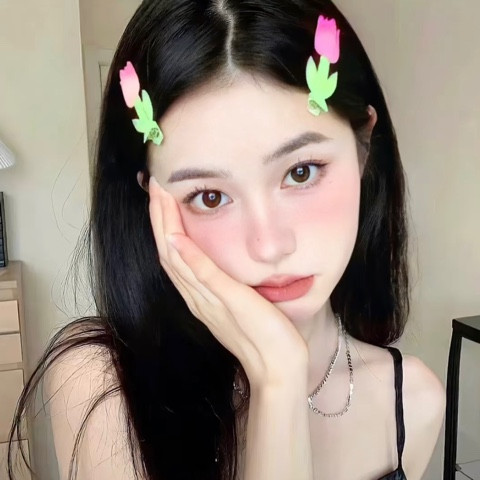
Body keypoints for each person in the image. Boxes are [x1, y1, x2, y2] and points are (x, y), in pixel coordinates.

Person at [8, 1, 446, 479]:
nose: (269, 245)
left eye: (301, 172)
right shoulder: (103, 385)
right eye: (210, 197)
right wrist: (276, 381)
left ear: (364, 148)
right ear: (152, 203)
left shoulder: (414, 402)